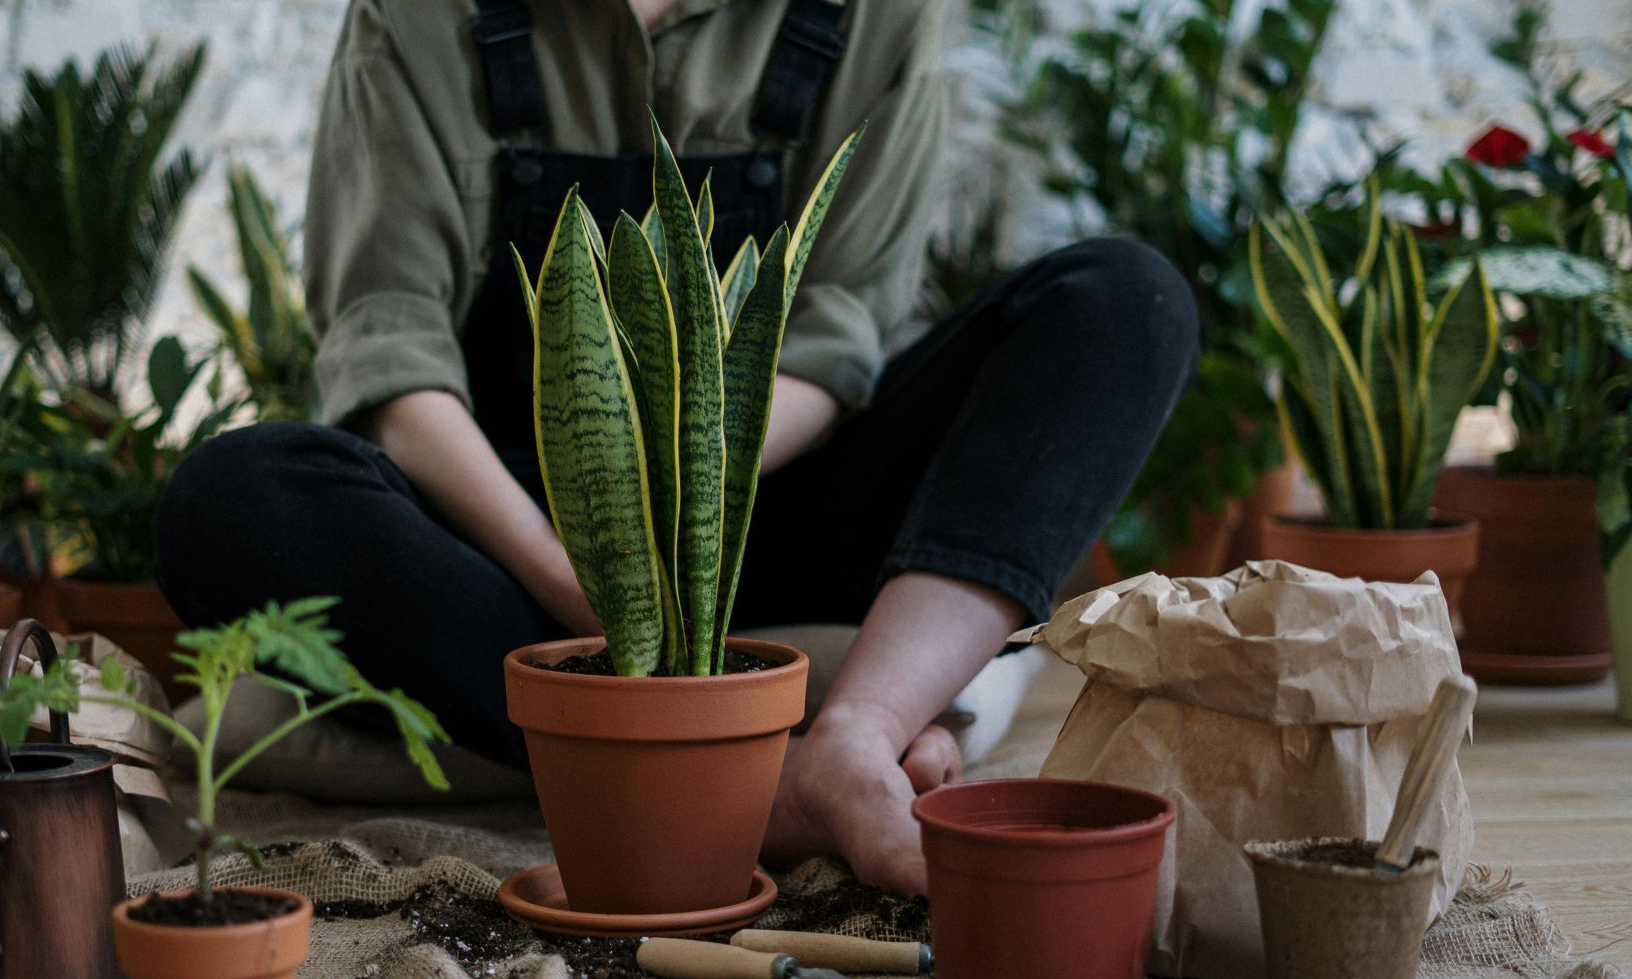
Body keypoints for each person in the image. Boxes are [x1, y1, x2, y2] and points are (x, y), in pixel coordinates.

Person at [156, 0, 1197, 896]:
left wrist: (690, 516)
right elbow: (390, 352)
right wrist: (584, 578)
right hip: (510, 554)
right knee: (232, 495)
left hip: (764, 504)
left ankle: (853, 734)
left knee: (1124, 301)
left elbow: (836, 335)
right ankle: (744, 776)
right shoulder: (423, 14)